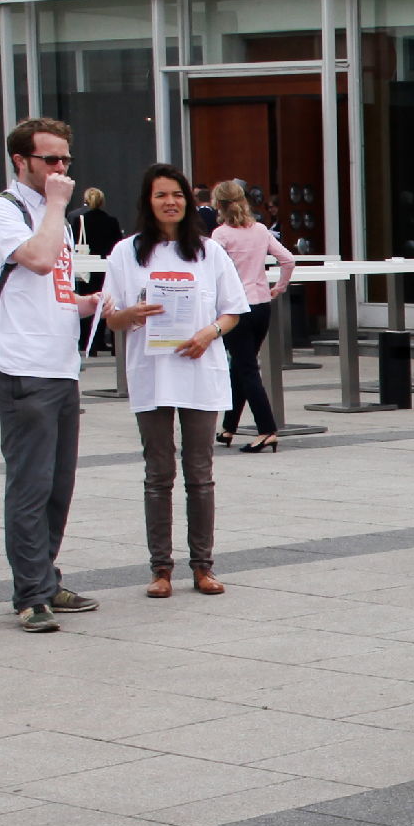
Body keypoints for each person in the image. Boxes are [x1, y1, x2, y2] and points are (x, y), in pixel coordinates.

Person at [97, 163, 247, 598]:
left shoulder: (208, 251)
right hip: (153, 373)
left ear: (187, 200)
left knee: (200, 473)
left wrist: (210, 332)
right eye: (161, 194)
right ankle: (160, 569)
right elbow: (111, 315)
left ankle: (203, 567)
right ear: (148, 201)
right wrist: (130, 315)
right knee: (158, 474)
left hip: (200, 369)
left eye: (177, 194)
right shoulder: (126, 253)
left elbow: (233, 310)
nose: (170, 202)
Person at [0, 119, 102, 632]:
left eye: (66, 161)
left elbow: (53, 289)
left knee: (58, 486)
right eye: (50, 160)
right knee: (29, 485)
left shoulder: (59, 218)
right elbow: (37, 259)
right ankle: (31, 595)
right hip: (21, 366)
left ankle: (45, 578)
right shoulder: (0, 212)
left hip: (59, 363)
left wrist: (87, 304)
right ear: (20, 161)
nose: (60, 171)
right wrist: (53, 204)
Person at [208, 178, 295, 450]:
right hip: (261, 305)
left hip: (236, 308)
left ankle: (267, 428)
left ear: (218, 206)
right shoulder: (260, 230)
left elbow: (214, 273)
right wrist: (278, 287)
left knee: (245, 368)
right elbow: (288, 259)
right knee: (242, 366)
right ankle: (229, 427)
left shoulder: (220, 235)